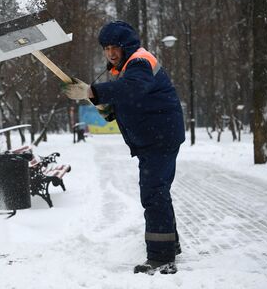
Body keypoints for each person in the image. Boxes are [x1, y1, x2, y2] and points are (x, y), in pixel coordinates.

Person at [62, 21, 185, 275]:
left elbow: (133, 90)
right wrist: (104, 106)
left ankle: (162, 257)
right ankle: (169, 244)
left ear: (126, 45)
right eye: (106, 48)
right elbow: (128, 102)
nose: (110, 53)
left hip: (159, 138)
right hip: (155, 139)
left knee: (153, 193)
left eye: (114, 47)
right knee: (158, 191)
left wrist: (92, 91)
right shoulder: (125, 68)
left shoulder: (139, 61)